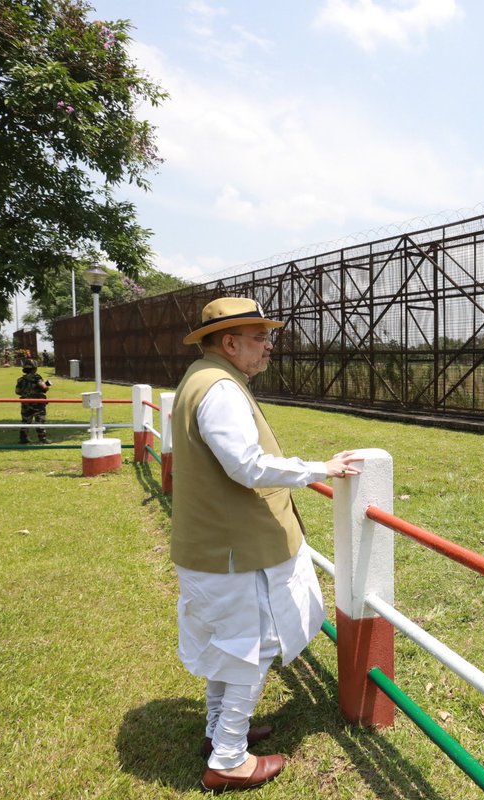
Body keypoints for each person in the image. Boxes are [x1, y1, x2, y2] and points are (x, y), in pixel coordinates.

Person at [171, 297, 362, 793]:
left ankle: (219, 735)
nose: (269, 346)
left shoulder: (202, 378)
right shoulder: (220, 389)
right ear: (229, 342)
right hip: (233, 552)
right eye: (260, 338)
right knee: (247, 650)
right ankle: (229, 759)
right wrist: (320, 468)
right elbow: (247, 465)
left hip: (216, 547)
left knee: (228, 647)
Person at [14, 358, 51, 444]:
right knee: (40, 421)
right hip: (37, 403)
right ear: (34, 367)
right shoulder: (37, 377)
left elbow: (17, 391)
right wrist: (46, 386)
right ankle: (42, 439)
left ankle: (23, 439)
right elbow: (44, 388)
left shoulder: (20, 380)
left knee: (25, 421)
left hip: (25, 403)